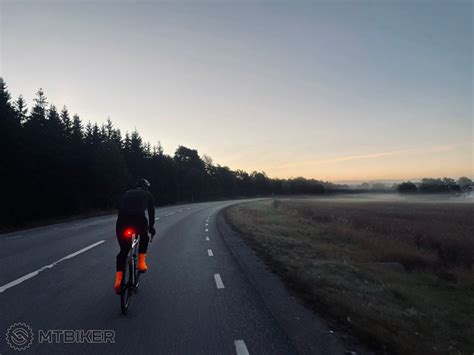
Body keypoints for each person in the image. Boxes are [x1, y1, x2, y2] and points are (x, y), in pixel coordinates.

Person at [114, 178, 156, 294]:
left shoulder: (127, 193)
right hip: (139, 219)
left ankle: (118, 282)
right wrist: (151, 228)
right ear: (146, 187)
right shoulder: (148, 194)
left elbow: (119, 206)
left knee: (123, 251)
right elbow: (151, 213)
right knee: (144, 236)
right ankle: (141, 263)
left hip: (122, 220)